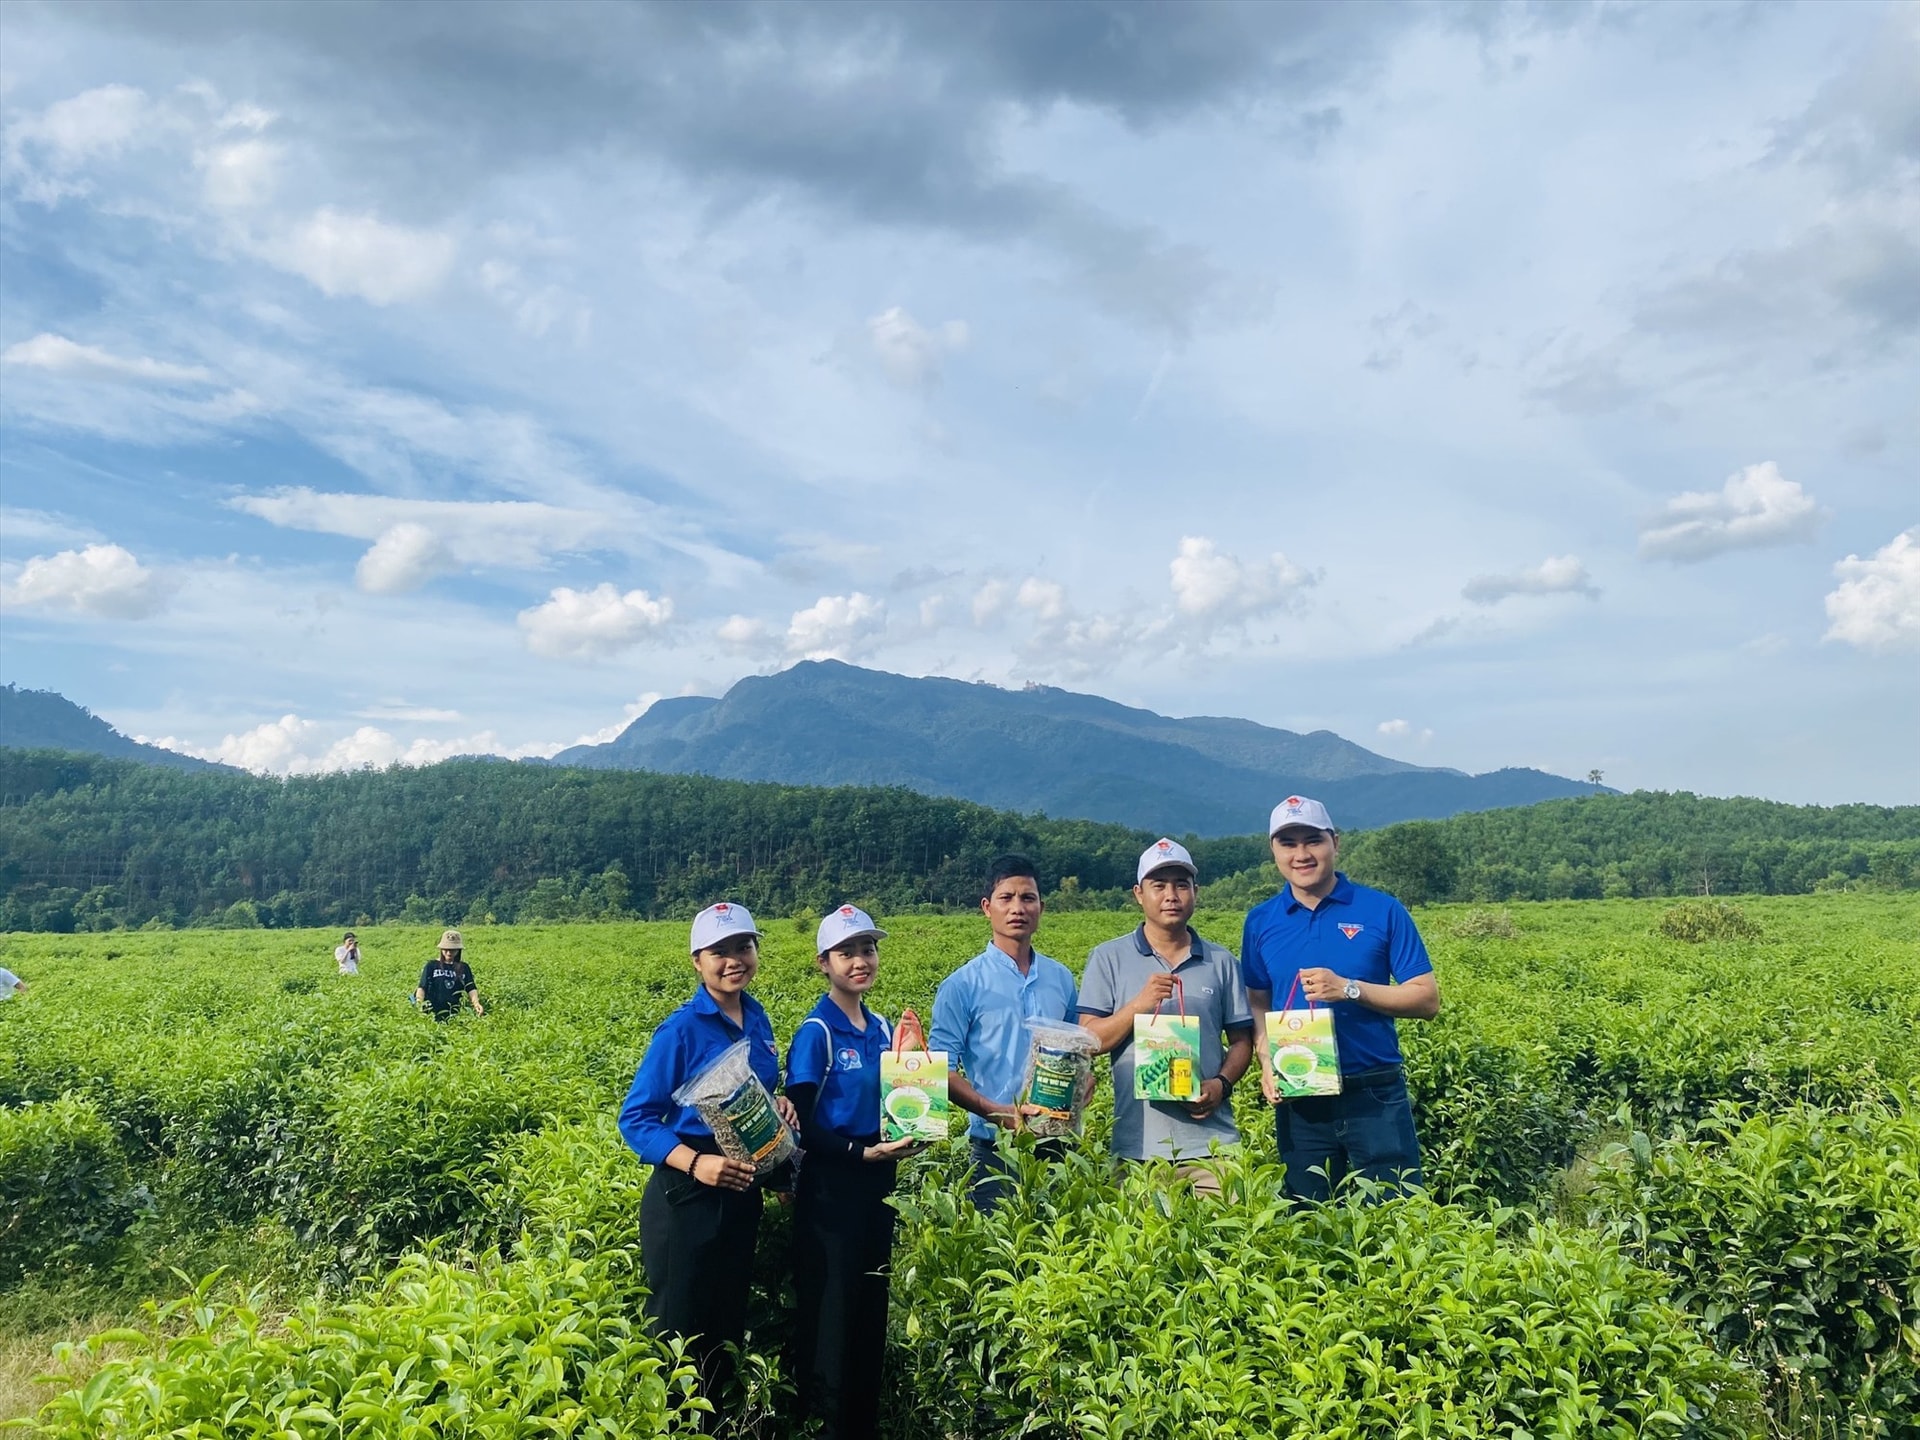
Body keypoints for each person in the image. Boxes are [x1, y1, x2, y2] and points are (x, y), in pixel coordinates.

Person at [618, 902, 799, 1410]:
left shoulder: (756, 1016)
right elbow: (635, 1119)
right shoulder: (680, 1030)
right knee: (679, 1326)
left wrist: (778, 1098)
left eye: (743, 947)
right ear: (698, 961)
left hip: (741, 1186)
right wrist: (698, 1164)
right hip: (686, 1192)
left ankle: (720, 1420)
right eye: (719, 951)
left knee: (725, 1320)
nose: (734, 960)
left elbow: (756, 1088)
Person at [1241, 795, 1441, 1203]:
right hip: (1301, 1090)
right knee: (1309, 1217)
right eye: (1288, 843)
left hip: (1374, 1091)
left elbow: (1426, 999)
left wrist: (1350, 988)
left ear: (1335, 842)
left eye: (1312, 840)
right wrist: (1265, 1057)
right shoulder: (1261, 920)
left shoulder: (1382, 910)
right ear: (1273, 850)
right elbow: (1258, 999)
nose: (1301, 854)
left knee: (1395, 1211)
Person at [785, 904, 920, 1440]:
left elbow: (902, 1096)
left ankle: (862, 1421)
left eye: (868, 949)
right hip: (832, 1183)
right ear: (824, 963)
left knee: (870, 1303)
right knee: (833, 1309)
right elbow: (799, 1124)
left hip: (877, 1179)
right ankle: (824, 1423)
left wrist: (910, 1127)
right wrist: (854, 1154)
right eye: (847, 952)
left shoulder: (883, 1026)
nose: (860, 960)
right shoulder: (817, 1030)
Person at [1078, 838, 1253, 1194]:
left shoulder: (1221, 962)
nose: (1171, 895)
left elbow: (1241, 1042)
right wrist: (1138, 1005)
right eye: (1159, 886)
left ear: (1195, 892)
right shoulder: (1108, 958)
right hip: (1138, 1147)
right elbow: (1089, 1040)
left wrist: (1221, 1084)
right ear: (1139, 894)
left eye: (1181, 885)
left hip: (1214, 1148)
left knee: (1226, 1246)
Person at [929, 854, 1080, 1211]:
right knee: (998, 1256)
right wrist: (995, 1111)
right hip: (993, 1152)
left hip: (1058, 1146)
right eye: (1006, 898)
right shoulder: (962, 985)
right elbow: (938, 1070)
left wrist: (1082, 1083)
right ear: (987, 908)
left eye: (1028, 898)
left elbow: (1074, 1050)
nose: (1018, 908)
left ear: (1041, 907)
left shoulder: (1061, 978)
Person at [415, 929, 483, 1020]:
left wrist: (476, 1004)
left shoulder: (464, 967)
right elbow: (422, 987)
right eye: (446, 949)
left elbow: (471, 988)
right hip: (432, 1013)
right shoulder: (432, 965)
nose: (449, 953)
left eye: (452, 950)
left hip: (455, 1014)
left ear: (458, 950)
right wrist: (419, 1005)